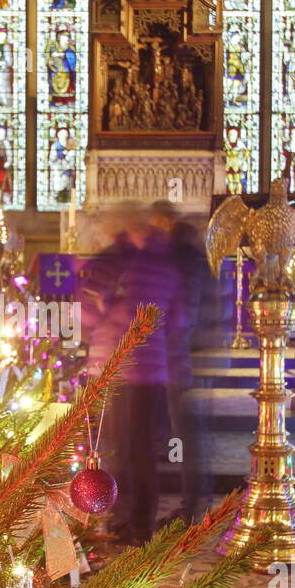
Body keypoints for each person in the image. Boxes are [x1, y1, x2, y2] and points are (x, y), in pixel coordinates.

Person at [79, 205, 175, 545]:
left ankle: (125, 523)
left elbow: (88, 314)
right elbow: (173, 318)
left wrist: (102, 308)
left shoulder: (117, 260)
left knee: (121, 449)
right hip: (152, 368)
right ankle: (140, 524)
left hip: (117, 365)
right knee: (141, 450)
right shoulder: (164, 262)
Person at [150, 204, 218, 522]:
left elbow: (184, 310)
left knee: (185, 434)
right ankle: (193, 502)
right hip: (192, 354)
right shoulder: (192, 252)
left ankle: (192, 508)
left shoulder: (179, 256)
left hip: (184, 357)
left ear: (165, 221)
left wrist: (172, 348)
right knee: (187, 433)